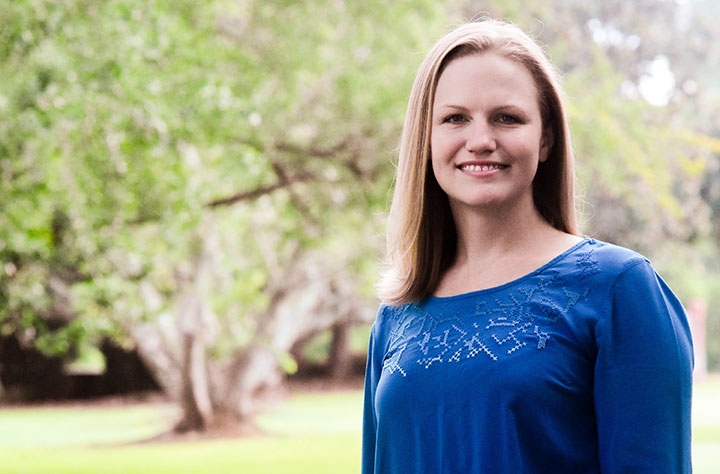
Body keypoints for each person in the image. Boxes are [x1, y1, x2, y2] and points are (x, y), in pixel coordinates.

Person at [362, 18, 693, 474]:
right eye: (455, 118)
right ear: (427, 139)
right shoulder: (398, 313)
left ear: (546, 139)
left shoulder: (620, 290)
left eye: (507, 118)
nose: (480, 141)